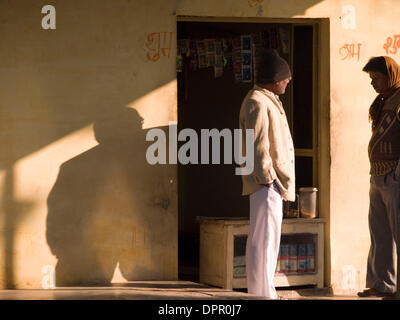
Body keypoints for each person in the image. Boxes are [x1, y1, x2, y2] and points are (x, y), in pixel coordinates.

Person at [239, 49, 295, 299]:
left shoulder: (267, 99)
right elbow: (258, 145)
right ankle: (263, 294)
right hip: (266, 185)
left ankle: (263, 291)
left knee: (267, 240)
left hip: (270, 185)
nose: (288, 81)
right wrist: (268, 180)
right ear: (274, 78)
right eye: (285, 77)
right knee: (264, 241)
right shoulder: (257, 102)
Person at [358, 56, 400, 298]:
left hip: (393, 177)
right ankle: (382, 283)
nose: (373, 83)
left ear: (390, 76)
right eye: (371, 79)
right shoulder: (383, 101)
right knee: (379, 233)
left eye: (376, 78)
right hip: (377, 177)